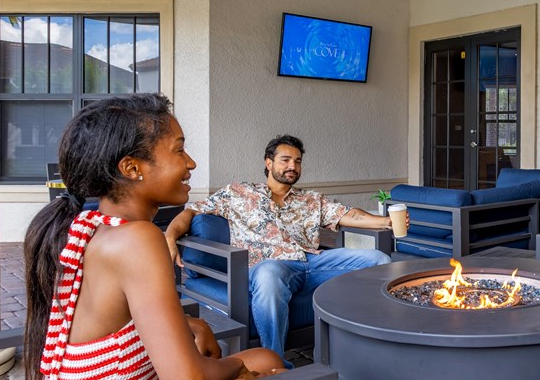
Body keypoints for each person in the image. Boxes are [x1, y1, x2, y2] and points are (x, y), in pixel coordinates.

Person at [1, 94, 305, 380]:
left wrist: (189, 326)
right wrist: (238, 367)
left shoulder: (96, 227)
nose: (192, 163)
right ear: (132, 168)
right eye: (179, 149)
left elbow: (113, 320)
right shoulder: (139, 239)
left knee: (269, 359)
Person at [165, 135, 402, 362]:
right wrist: (170, 235)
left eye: (297, 161)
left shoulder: (310, 199)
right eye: (285, 160)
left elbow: (347, 215)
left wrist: (386, 222)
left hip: (312, 263)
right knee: (269, 274)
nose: (293, 166)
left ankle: (376, 343)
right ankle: (275, 362)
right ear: (269, 163)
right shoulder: (238, 193)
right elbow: (191, 211)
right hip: (268, 266)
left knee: (379, 260)